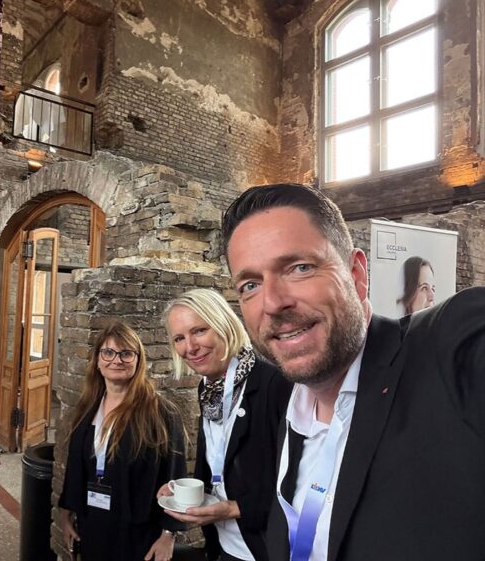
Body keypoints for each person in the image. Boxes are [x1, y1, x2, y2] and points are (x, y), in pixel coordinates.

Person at [222, 183, 485, 561]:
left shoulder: (447, 345)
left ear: (357, 274)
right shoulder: (289, 406)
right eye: (250, 284)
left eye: (299, 267)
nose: (273, 303)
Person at [161, 289, 291, 561]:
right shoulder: (207, 388)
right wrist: (186, 490)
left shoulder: (274, 383)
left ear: (223, 323)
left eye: (199, 330)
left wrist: (235, 508)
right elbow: (220, 461)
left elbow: (300, 480)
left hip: (266, 547)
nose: (190, 347)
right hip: (223, 545)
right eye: (179, 338)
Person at [59, 322, 187, 561]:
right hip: (93, 523)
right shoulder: (88, 407)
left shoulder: (162, 413)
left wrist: (168, 534)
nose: (116, 360)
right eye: (108, 352)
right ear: (97, 360)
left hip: (138, 531)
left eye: (126, 353)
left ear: (138, 360)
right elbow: (76, 466)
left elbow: (175, 477)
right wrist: (67, 514)